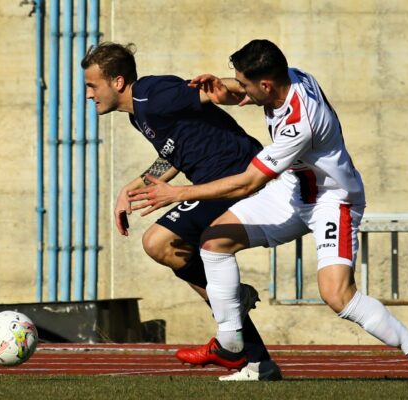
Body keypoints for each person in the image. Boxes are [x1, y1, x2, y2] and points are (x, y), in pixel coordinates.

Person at [128, 39, 408, 384]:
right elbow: (246, 91)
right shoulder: (290, 77)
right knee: (214, 242)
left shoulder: (300, 122)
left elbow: (247, 184)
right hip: (292, 189)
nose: (242, 90)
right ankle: (232, 343)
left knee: (338, 295)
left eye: (246, 84)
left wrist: (176, 193)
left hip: (331, 200)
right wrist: (224, 87)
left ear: (265, 84)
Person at [81, 42, 282, 381]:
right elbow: (174, 153)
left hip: (235, 174)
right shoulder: (138, 114)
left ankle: (233, 303)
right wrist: (131, 187)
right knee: (174, 252)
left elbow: (219, 90)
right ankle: (257, 361)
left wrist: (233, 85)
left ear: (116, 82)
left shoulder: (152, 94)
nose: (88, 95)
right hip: (216, 178)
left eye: (91, 85)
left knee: (157, 242)